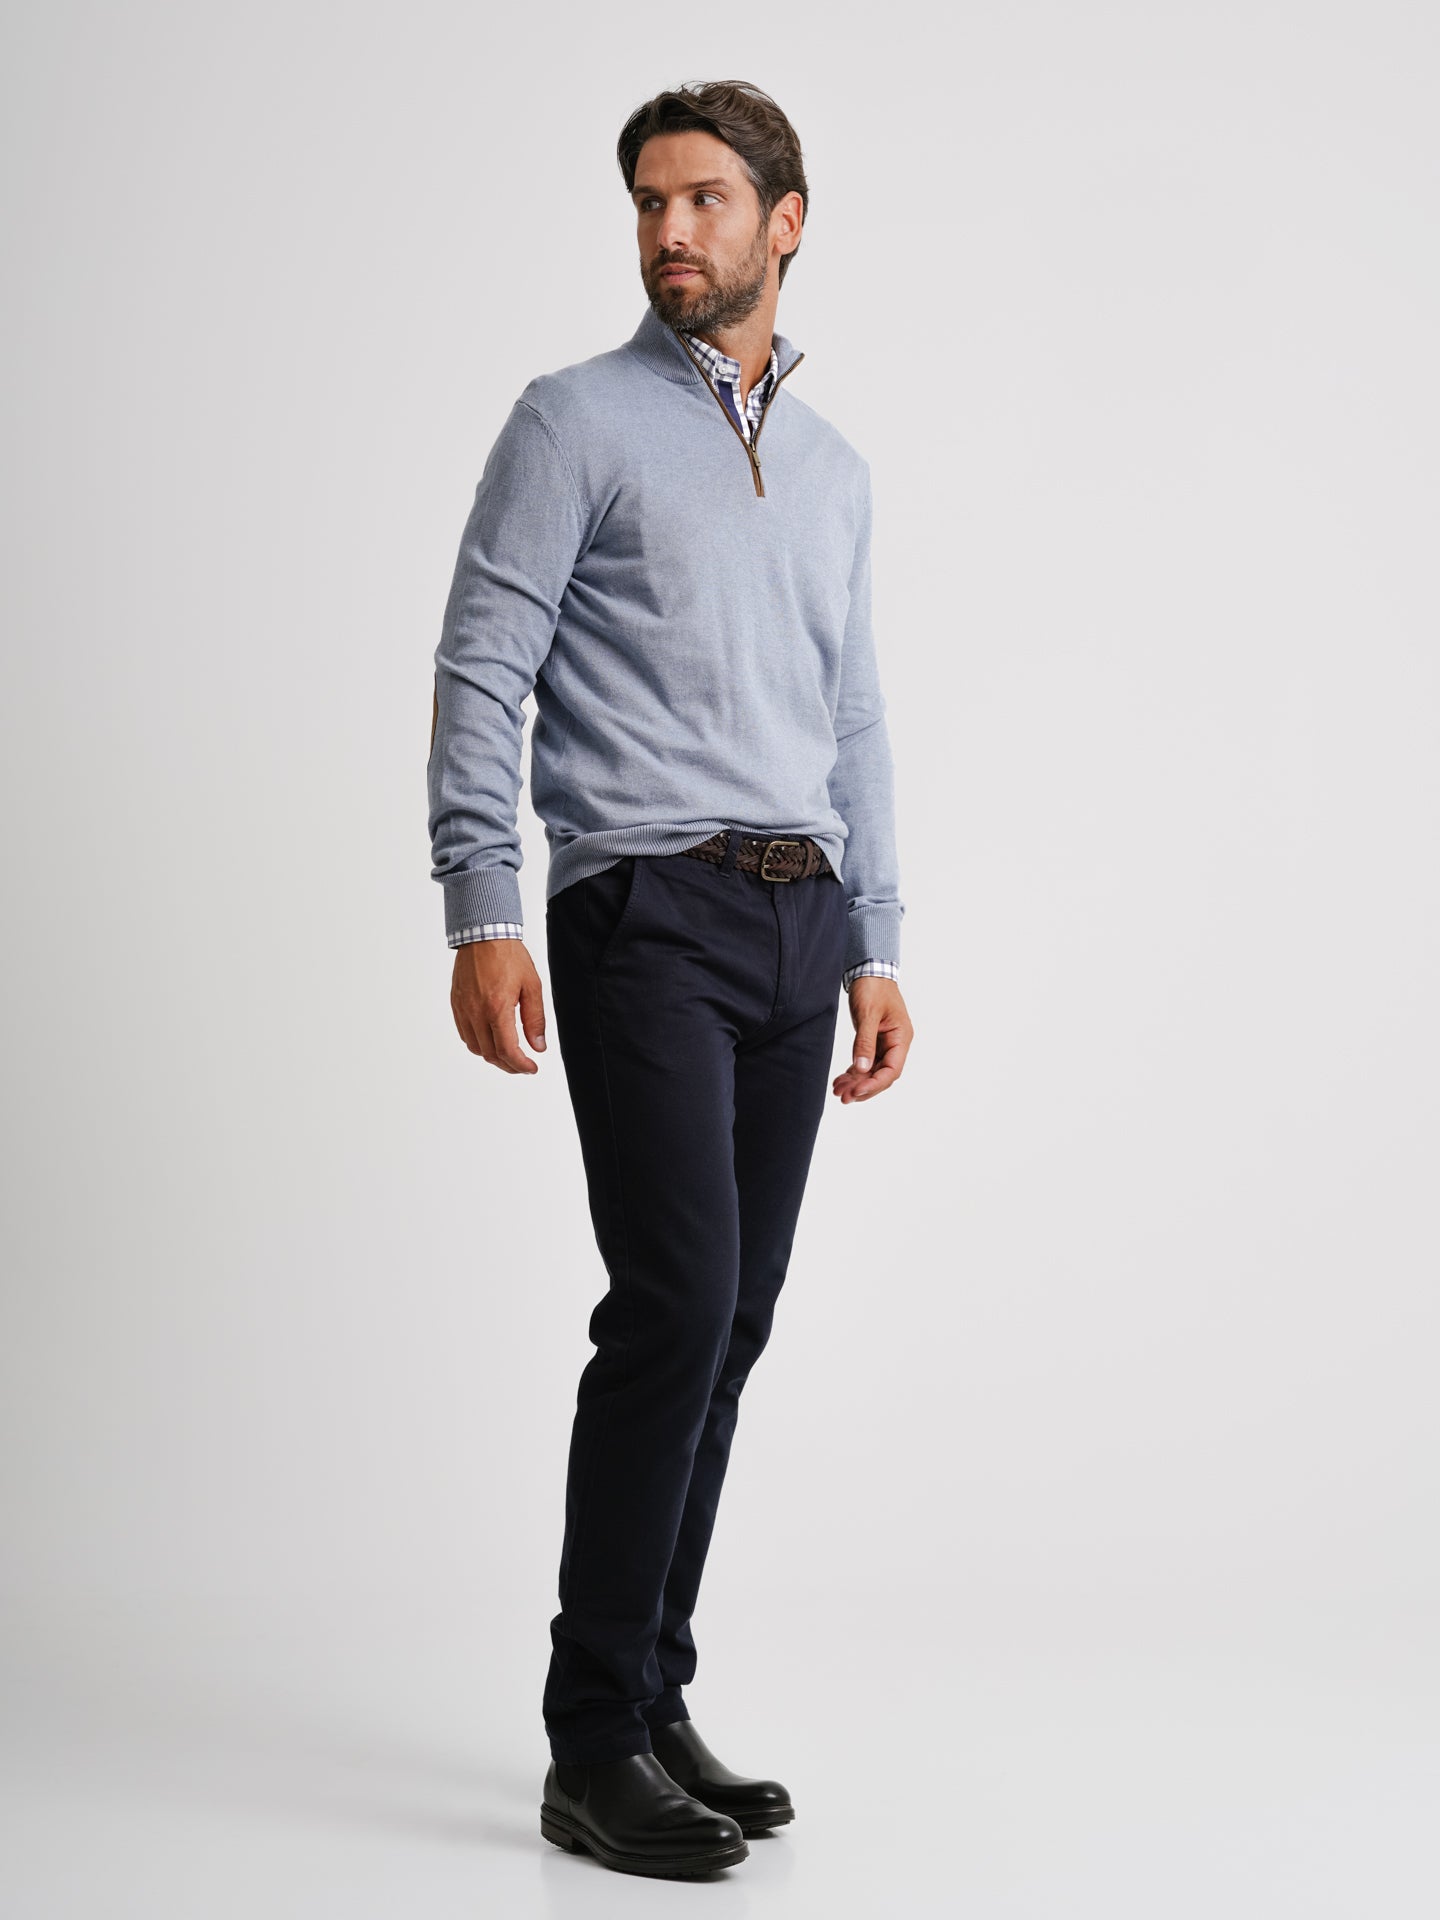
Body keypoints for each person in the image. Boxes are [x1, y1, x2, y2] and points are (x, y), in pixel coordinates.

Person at [427, 79, 913, 1880]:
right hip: (643, 907)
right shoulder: (575, 420)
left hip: (800, 918)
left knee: (737, 1320)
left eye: (704, 199)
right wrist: (481, 904)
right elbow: (485, 660)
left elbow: (851, 715)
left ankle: (651, 1695)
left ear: (787, 220)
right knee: (675, 1303)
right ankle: (588, 1743)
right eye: (648, 202)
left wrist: (877, 939)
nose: (669, 232)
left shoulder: (837, 469)